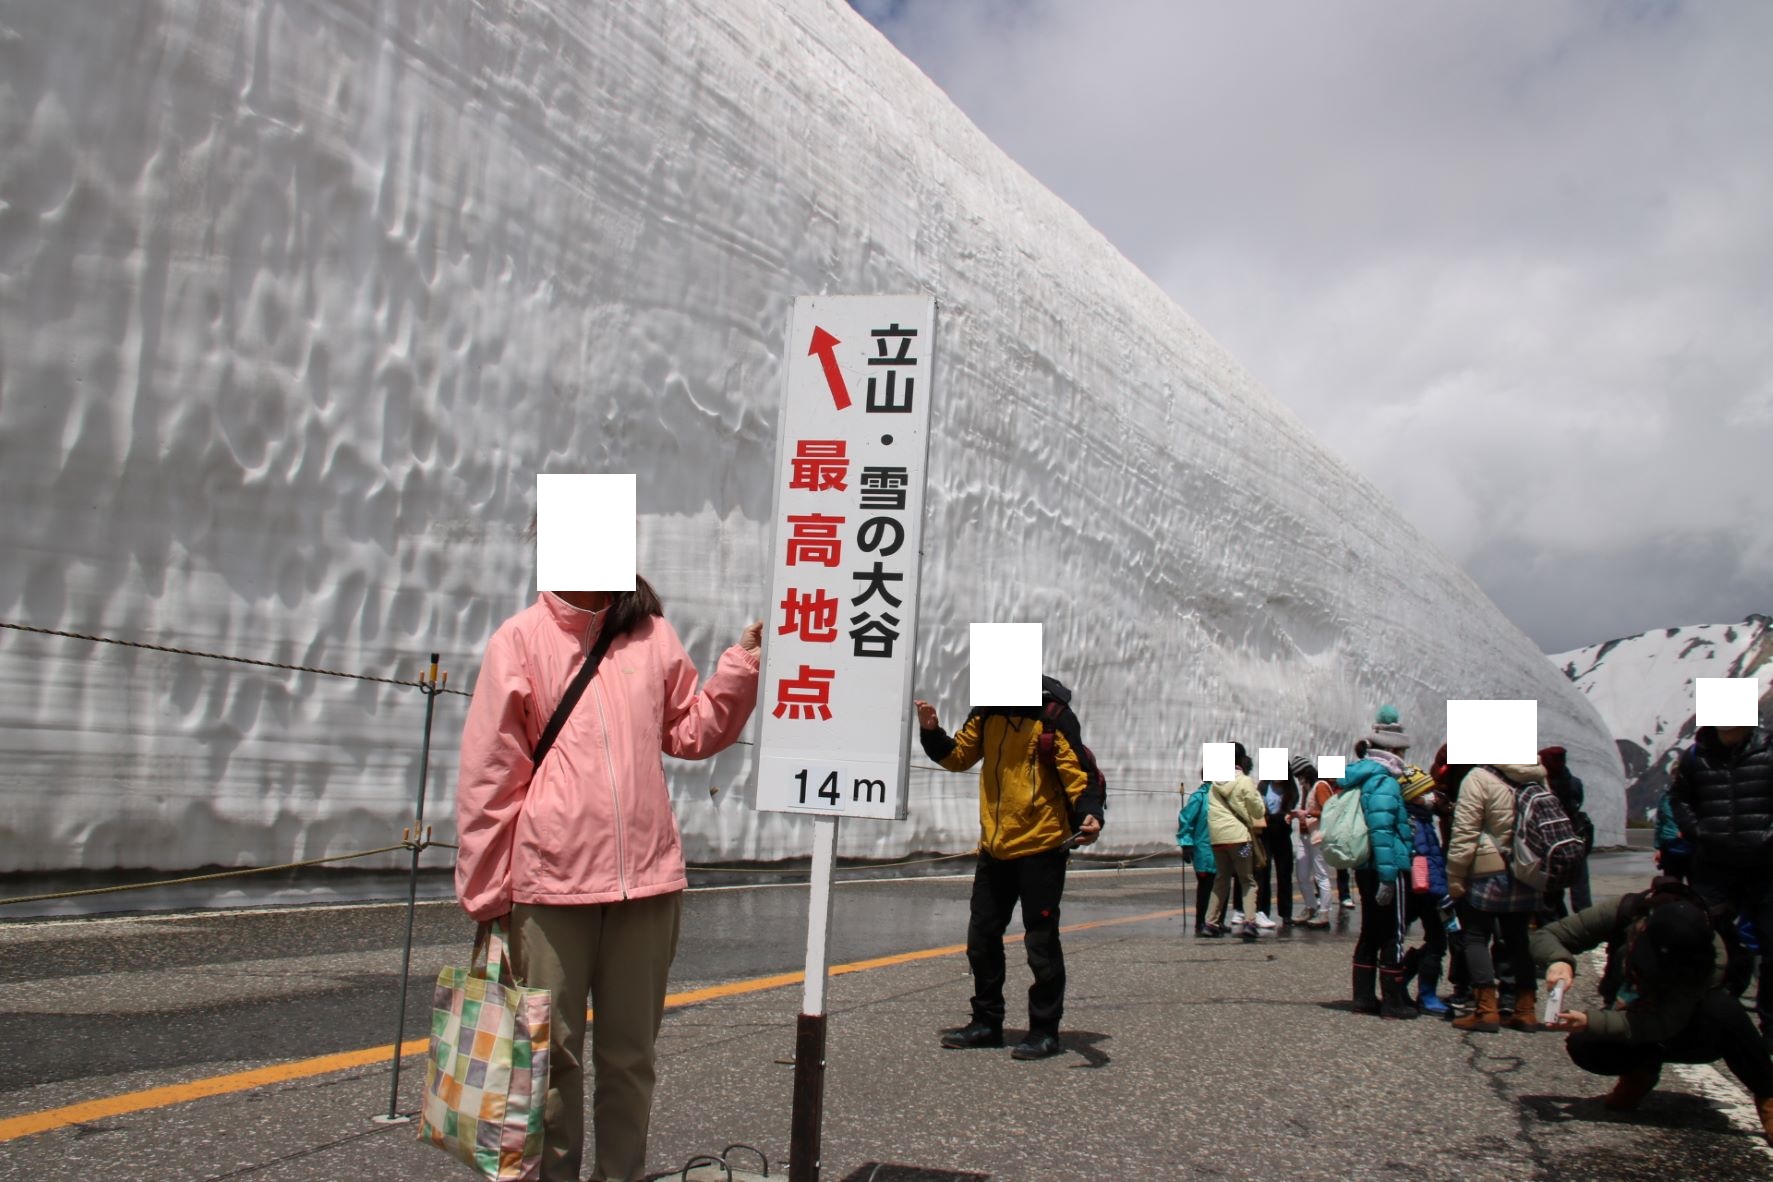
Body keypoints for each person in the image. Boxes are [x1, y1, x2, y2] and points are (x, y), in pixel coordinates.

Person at [455, 580, 763, 1182]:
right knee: (549, 1059)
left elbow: (690, 731)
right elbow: (491, 773)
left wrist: (740, 666)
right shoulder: (519, 640)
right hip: (549, 884)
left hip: (646, 883)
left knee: (630, 1059)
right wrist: (487, 894)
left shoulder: (651, 634)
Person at [916, 677, 1104, 1060]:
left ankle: (1045, 1030)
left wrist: (1090, 814)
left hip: (1043, 846)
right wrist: (932, 733)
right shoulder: (986, 712)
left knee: (1040, 942)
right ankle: (986, 1022)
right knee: (981, 938)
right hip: (995, 847)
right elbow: (958, 757)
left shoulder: (1053, 716)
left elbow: (1077, 774)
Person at [1535, 879, 1773, 1144]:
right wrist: (1559, 961)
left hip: (1687, 1029)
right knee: (1586, 1046)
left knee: (1723, 1010)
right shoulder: (1628, 910)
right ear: (1644, 927)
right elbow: (1546, 935)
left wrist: (1589, 1020)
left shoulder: (1709, 957)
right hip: (1636, 1011)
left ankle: (1768, 1096)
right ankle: (1640, 1072)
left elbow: (1662, 1022)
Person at [1668, 719, 1773, 1049]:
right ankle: (1703, 1017)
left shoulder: (1768, 750)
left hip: (1766, 864)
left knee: (1771, 946)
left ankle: (1770, 1027)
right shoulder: (1695, 757)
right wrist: (1699, 832)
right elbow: (1680, 799)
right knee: (1706, 941)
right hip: (1713, 865)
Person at [1446, 758, 1548, 1034]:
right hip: (1526, 870)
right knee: (1518, 939)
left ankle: (1485, 1010)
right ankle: (1525, 1010)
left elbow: (1465, 832)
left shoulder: (1479, 777)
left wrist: (1455, 875)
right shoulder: (1536, 776)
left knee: (1476, 936)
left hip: (1488, 869)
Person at [1343, 709, 1417, 1018]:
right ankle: (1393, 1001)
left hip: (1364, 867)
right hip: (1385, 866)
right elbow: (1383, 830)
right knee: (1392, 933)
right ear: (1393, 750)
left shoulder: (1360, 775)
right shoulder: (1384, 780)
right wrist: (1389, 876)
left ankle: (1362, 997)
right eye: (1402, 750)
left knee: (1370, 931)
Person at [1398, 763, 1453, 1016]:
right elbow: (1427, 861)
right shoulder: (1416, 823)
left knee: (1426, 938)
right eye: (1425, 792)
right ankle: (1426, 994)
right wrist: (1443, 895)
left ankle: (1403, 982)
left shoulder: (1418, 818)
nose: (1431, 797)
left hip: (1418, 890)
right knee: (1437, 940)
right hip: (1425, 891)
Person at [1200, 743, 1266, 941]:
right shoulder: (1244, 781)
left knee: (1221, 879)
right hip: (1241, 842)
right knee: (1247, 879)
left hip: (1218, 841)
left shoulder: (1214, 783)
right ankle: (1249, 922)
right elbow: (1258, 811)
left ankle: (1210, 922)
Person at [1538, 746, 1596, 919]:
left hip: (1551, 842)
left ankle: (1557, 924)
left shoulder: (1542, 786)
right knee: (1580, 888)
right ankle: (1586, 924)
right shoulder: (1574, 783)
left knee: (1552, 892)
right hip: (1576, 837)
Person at [1291, 756, 1334, 928]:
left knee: (1321, 874)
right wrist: (1296, 814)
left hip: (1317, 835)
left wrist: (1307, 813)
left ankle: (1324, 912)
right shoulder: (1307, 788)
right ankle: (1310, 906)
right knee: (1301, 874)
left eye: (1300, 776)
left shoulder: (1321, 786)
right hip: (1304, 835)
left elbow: (1329, 811)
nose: (1299, 780)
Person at [1255, 769, 1298, 929]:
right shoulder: (1264, 786)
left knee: (1285, 873)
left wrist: (1284, 814)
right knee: (1263, 872)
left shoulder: (1290, 789)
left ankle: (1286, 913)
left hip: (1282, 833)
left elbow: (1291, 805)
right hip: (1266, 833)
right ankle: (1262, 911)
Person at [1177, 779, 1218, 935]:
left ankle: (1216, 921)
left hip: (1222, 846)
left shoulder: (1225, 793)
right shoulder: (1200, 796)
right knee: (1206, 885)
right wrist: (1186, 843)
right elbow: (1186, 819)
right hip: (1204, 849)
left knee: (1221, 885)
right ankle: (1201, 921)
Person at [1653, 779, 1691, 883]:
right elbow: (1660, 823)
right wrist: (1658, 848)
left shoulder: (1694, 794)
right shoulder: (1665, 797)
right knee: (1672, 884)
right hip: (1670, 845)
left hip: (1691, 845)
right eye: (1674, 772)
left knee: (1696, 888)